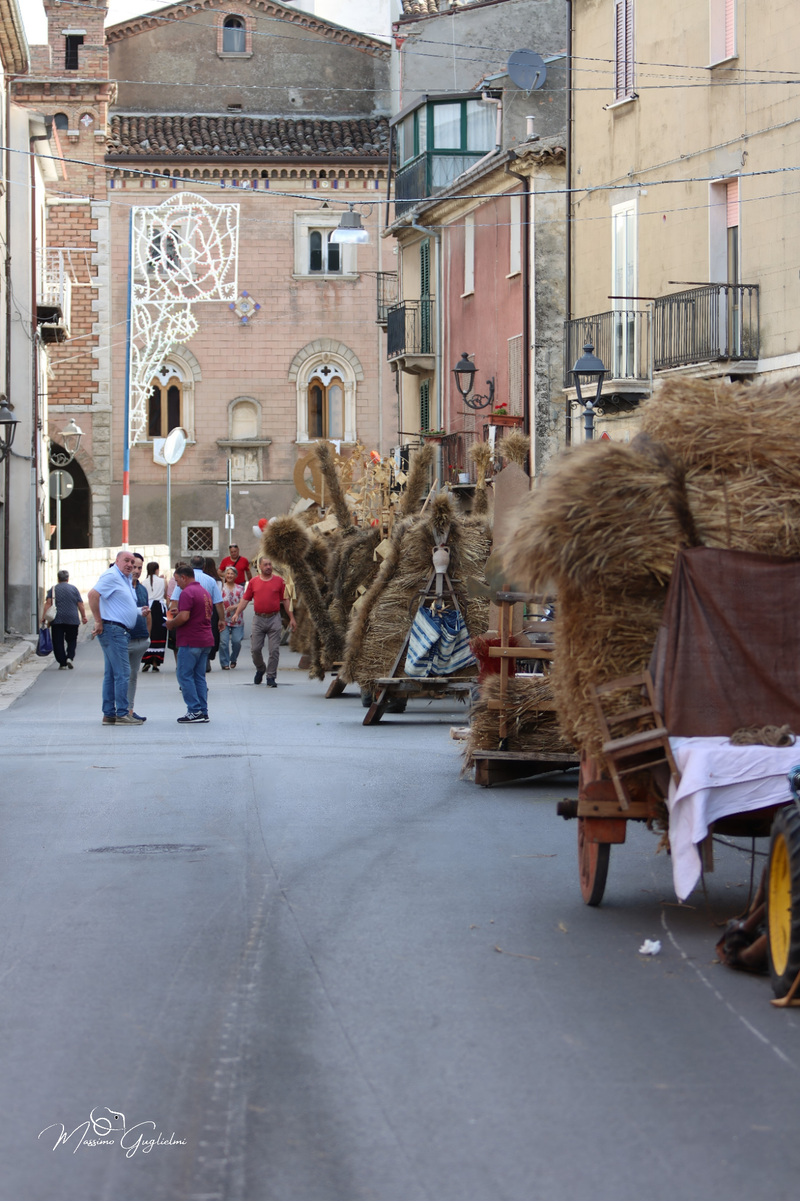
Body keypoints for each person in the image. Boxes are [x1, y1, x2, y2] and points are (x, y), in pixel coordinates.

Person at [87, 550, 150, 726]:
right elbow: (93, 595)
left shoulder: (125, 579)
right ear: (117, 561)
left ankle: (109, 714)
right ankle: (122, 713)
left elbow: (119, 605)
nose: (130, 565)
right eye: (126, 561)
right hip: (113, 630)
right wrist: (98, 621)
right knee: (123, 673)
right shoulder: (112, 576)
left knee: (112, 674)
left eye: (132, 562)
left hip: (117, 629)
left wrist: (138, 611)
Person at [165, 564, 224, 723]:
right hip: (205, 639)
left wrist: (171, 623)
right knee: (199, 676)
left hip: (191, 640)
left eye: (177, 580)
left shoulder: (187, 592)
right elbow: (196, 612)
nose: (177, 584)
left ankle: (194, 710)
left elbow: (184, 617)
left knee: (184, 675)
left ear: (184, 577)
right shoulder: (204, 591)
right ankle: (202, 711)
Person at [232, 556, 296, 687]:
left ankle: (271, 676)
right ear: (260, 567)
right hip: (258, 619)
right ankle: (261, 668)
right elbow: (245, 600)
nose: (268, 567)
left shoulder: (279, 581)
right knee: (255, 649)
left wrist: (292, 618)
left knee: (274, 650)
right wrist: (237, 613)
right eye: (265, 565)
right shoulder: (254, 582)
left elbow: (285, 600)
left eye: (270, 565)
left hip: (274, 618)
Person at [168, 555, 224, 673]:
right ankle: (204, 664)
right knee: (200, 670)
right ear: (204, 566)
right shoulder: (210, 580)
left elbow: (175, 603)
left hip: (189, 629)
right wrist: (221, 620)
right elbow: (218, 603)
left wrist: (172, 620)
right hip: (207, 621)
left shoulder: (185, 585)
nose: (178, 584)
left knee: (186, 671)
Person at [43, 569, 87, 670]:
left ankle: (62, 663)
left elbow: (48, 604)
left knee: (57, 641)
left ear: (58, 579)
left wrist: (44, 617)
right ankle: (70, 657)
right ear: (68, 578)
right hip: (72, 619)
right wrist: (84, 616)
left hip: (57, 620)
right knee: (72, 640)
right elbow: (80, 604)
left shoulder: (53, 589)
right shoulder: (74, 589)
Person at [125, 554, 152, 720]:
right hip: (123, 638)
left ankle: (129, 710)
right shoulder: (122, 587)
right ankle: (116, 710)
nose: (136, 570)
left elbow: (147, 613)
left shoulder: (142, 589)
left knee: (133, 676)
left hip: (140, 639)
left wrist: (147, 635)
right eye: (134, 567)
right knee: (120, 675)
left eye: (140, 567)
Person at [141, 562, 166, 671]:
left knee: (149, 633)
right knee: (159, 635)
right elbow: (166, 596)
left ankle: (147, 660)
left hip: (149, 607)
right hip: (160, 608)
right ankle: (156, 662)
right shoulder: (163, 581)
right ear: (157, 569)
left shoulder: (143, 582)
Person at [219, 565, 245, 669]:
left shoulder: (240, 588)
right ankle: (225, 663)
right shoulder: (220, 588)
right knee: (224, 642)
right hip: (224, 619)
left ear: (235, 576)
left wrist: (234, 607)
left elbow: (244, 602)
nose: (229, 575)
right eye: (228, 573)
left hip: (237, 619)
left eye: (232, 574)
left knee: (237, 641)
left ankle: (233, 659)